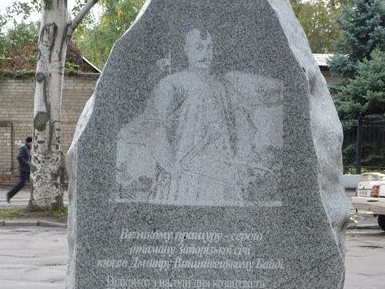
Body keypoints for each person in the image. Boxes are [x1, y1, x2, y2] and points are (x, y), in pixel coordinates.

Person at [116, 28, 283, 206]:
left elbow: (240, 123)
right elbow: (154, 125)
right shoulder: (172, 83)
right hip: (184, 173)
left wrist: (241, 156)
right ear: (186, 50)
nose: (206, 53)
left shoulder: (222, 86)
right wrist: (170, 164)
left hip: (223, 173)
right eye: (199, 47)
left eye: (209, 47)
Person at [7, 136, 32, 202]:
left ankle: (35, 198)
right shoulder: (24, 148)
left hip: (28, 169)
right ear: (29, 142)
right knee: (22, 183)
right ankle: (9, 194)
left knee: (33, 183)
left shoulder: (28, 148)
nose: (32, 144)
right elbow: (19, 157)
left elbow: (28, 158)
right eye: (32, 142)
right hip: (24, 169)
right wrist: (27, 163)